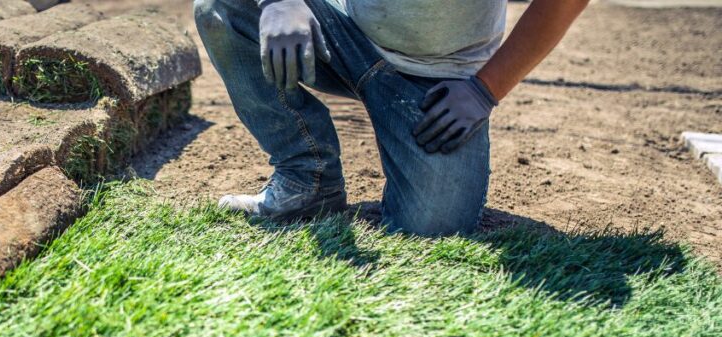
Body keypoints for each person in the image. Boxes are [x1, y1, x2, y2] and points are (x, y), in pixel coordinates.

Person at [194, 0, 589, 235]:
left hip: (439, 84)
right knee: (223, 6)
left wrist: (485, 90)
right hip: (344, 34)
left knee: (431, 228)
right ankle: (307, 177)